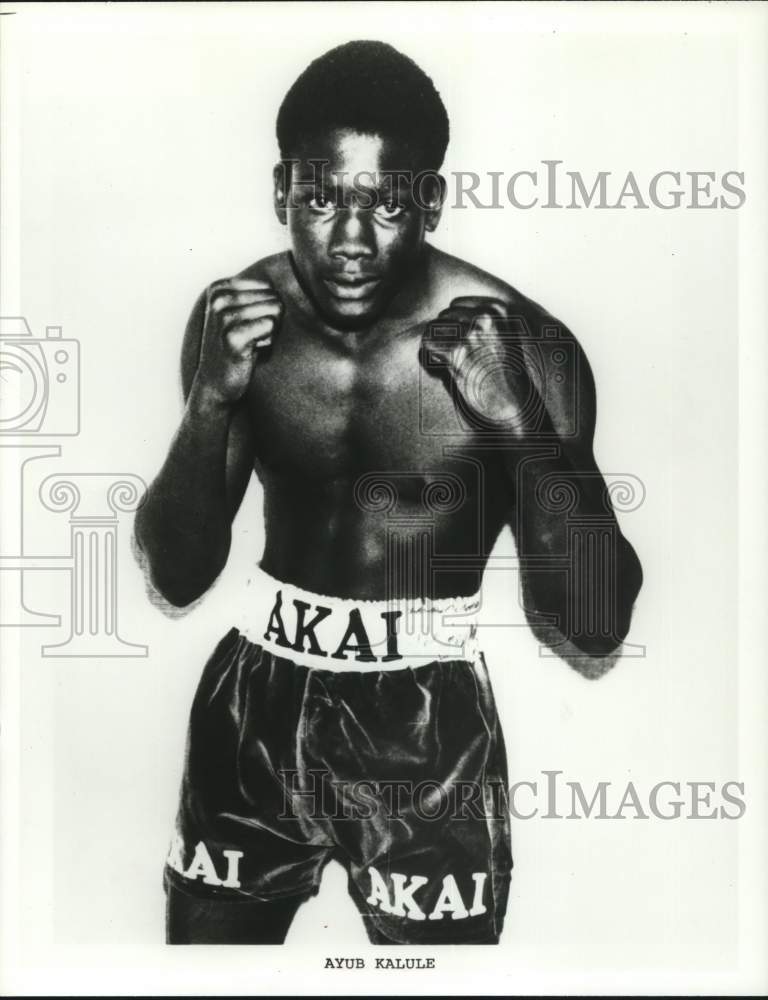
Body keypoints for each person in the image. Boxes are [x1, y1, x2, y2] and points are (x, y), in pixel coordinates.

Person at [134, 39, 643, 946]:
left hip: (427, 727)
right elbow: (176, 574)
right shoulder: (242, 321)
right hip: (256, 700)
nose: (353, 241)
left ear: (433, 203)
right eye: (323, 199)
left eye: (386, 206)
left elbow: (597, 622)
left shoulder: (522, 344)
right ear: (284, 190)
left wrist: (520, 424)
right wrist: (210, 400)